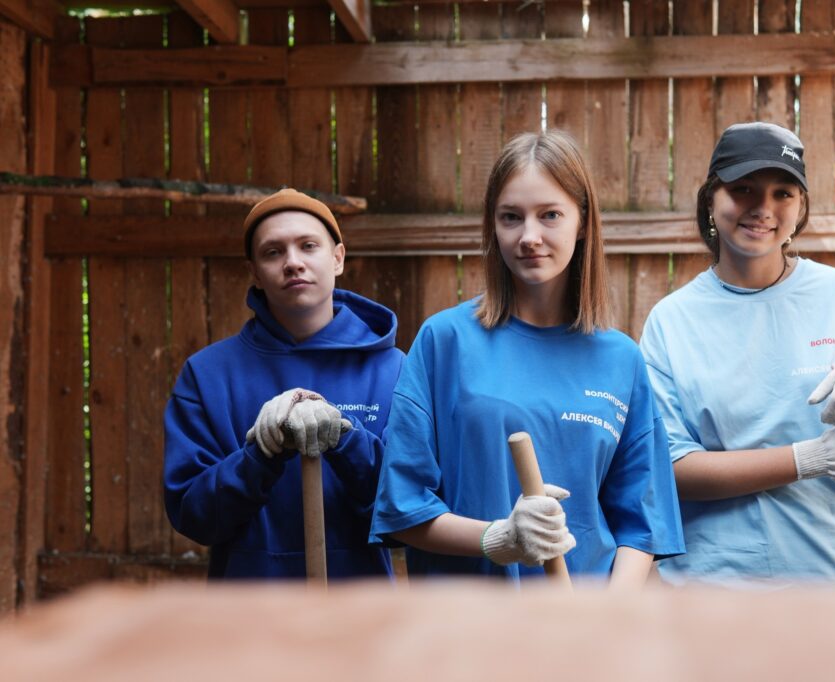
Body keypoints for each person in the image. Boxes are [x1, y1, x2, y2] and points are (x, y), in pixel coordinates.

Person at [369, 130, 684, 585]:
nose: (529, 236)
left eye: (550, 215)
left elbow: (642, 524)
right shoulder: (445, 340)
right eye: (511, 217)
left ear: (583, 222)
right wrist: (498, 539)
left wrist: (613, 615)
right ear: (492, 227)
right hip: (466, 630)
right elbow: (404, 508)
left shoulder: (621, 359)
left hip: (581, 628)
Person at [639, 122, 835, 591]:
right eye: (743, 189)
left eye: (782, 193)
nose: (763, 209)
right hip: (722, 590)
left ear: (801, 207)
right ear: (712, 199)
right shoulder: (672, 321)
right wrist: (809, 458)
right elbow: (672, 470)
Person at [163, 188, 404, 579]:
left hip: (361, 616)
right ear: (255, 272)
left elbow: (406, 513)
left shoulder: (392, 370)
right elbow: (194, 517)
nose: (293, 263)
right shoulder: (206, 375)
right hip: (249, 618)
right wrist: (258, 456)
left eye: (308, 246)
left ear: (337, 258)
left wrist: (347, 440)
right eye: (273, 252)